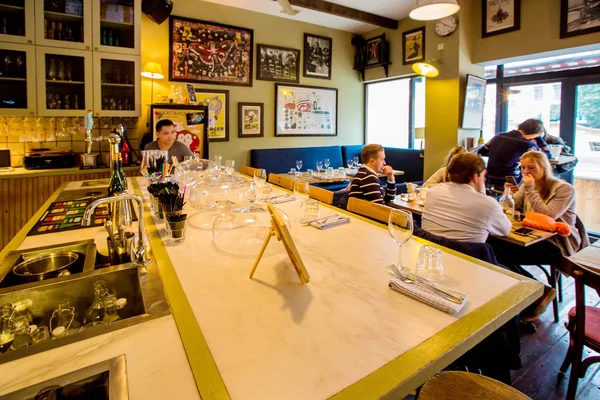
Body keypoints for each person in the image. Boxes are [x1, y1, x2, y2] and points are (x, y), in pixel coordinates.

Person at [422, 153, 512, 243]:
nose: (484, 179)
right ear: (475, 177)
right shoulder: (488, 205)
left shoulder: (433, 192)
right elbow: (505, 230)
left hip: (430, 251)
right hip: (466, 256)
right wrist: (482, 192)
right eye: (484, 176)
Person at [478, 118, 552, 189]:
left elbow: (482, 151)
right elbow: (546, 156)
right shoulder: (525, 143)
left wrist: (499, 154)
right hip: (510, 182)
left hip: (490, 178)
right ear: (536, 132)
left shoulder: (498, 136)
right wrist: (539, 138)